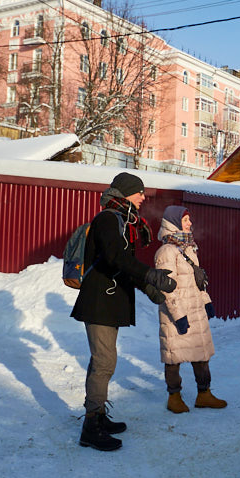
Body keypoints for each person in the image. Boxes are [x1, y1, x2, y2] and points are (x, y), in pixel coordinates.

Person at [71, 172, 176, 451]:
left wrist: (148, 286)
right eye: (139, 192)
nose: (143, 197)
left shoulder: (121, 221)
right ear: (126, 192)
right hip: (99, 302)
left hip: (108, 301)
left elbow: (122, 265)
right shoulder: (108, 219)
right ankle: (91, 427)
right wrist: (152, 275)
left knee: (104, 361)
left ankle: (98, 416)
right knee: (104, 363)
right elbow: (115, 258)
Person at [155, 204, 227, 413]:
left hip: (196, 311)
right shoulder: (166, 252)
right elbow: (167, 289)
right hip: (176, 313)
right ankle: (174, 397)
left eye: (189, 220)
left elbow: (198, 281)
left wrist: (207, 301)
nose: (190, 223)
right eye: (186, 220)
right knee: (174, 356)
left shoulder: (189, 249)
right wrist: (178, 316)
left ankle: (204, 394)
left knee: (201, 354)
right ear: (174, 223)